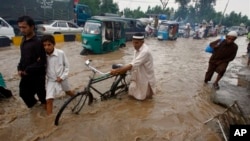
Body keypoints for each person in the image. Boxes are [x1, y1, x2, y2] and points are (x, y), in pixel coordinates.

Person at [110, 33, 156, 100]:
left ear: (142, 42)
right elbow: (134, 62)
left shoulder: (145, 51)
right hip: (138, 72)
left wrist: (117, 70)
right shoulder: (137, 49)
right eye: (133, 43)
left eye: (136, 43)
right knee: (134, 94)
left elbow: (134, 64)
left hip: (145, 75)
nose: (134, 45)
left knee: (145, 97)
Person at [17, 16, 46, 108]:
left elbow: (42, 61)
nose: (22, 30)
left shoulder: (38, 42)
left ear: (32, 27)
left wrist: (28, 69)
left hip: (37, 75)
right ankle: (35, 110)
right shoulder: (23, 40)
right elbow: (23, 57)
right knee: (23, 94)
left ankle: (44, 116)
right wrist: (19, 68)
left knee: (42, 97)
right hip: (25, 74)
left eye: (24, 27)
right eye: (20, 27)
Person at [41, 35, 74, 115]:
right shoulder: (42, 56)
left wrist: (62, 77)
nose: (47, 47)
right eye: (44, 45)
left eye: (49, 44)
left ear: (54, 44)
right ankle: (50, 120)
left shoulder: (60, 53)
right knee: (49, 100)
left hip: (63, 78)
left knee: (68, 92)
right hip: (51, 81)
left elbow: (67, 66)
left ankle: (76, 97)